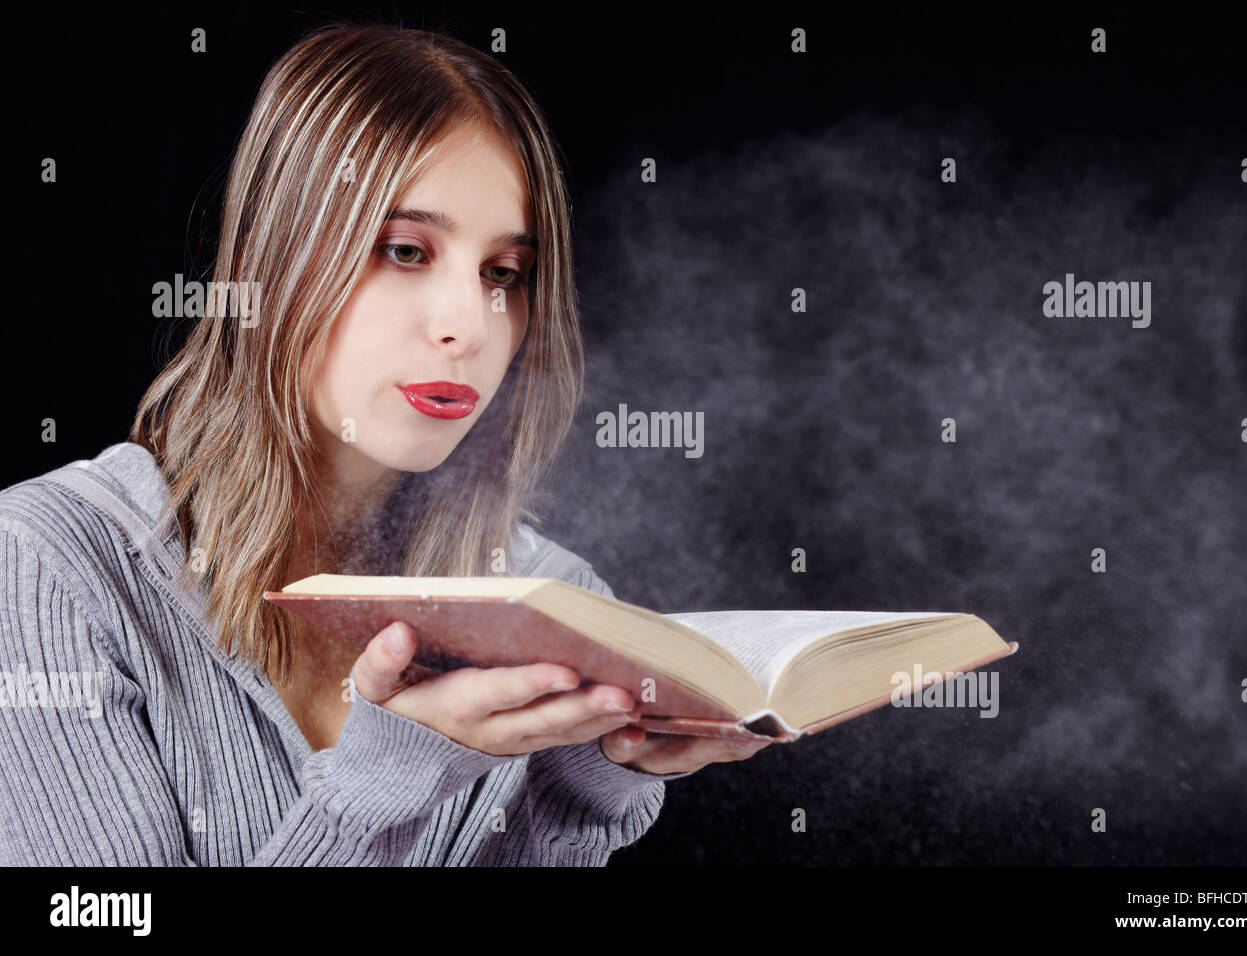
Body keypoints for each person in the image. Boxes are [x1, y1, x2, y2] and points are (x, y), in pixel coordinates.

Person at [0, 23, 769, 867]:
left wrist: (586, 779)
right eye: (405, 251)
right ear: (266, 265)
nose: (467, 327)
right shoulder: (47, 568)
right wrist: (386, 781)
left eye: (503, 273)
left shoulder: (553, 601)